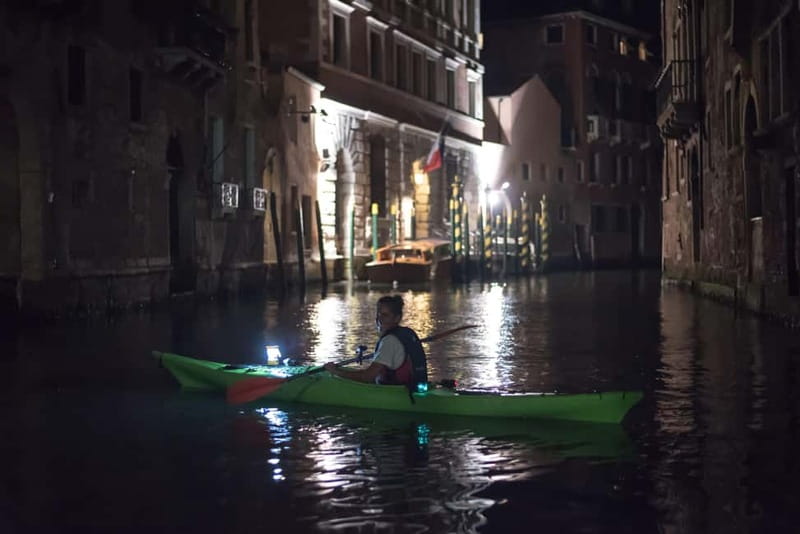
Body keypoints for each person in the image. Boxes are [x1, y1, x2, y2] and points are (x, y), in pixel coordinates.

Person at [324, 295, 428, 391]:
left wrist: (336, 372)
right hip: (416, 387)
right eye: (378, 314)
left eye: (385, 315)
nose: (379, 319)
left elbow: (368, 377)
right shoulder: (408, 333)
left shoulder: (389, 341)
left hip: (398, 392)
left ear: (397, 318)